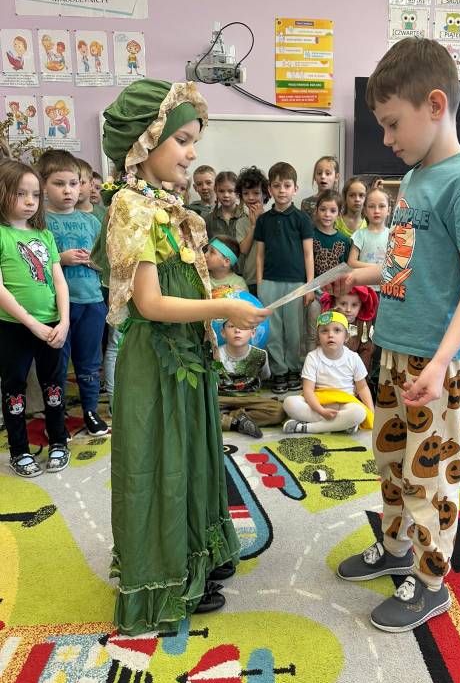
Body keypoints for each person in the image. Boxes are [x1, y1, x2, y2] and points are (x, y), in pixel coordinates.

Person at [335, 38, 460, 632]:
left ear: (434, 105)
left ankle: (430, 582)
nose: (386, 138)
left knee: (431, 475)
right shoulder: (411, 179)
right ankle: (397, 549)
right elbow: (402, 267)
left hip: (434, 361)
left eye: (392, 123)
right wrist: (363, 274)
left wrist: (441, 361)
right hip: (394, 351)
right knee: (392, 463)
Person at [101, 78, 270, 635]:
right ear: (146, 141)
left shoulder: (168, 204)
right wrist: (223, 309)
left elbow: (185, 286)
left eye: (195, 140)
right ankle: (165, 576)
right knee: (162, 462)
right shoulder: (130, 207)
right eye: (183, 140)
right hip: (156, 360)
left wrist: (219, 303)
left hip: (187, 354)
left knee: (193, 452)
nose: (193, 152)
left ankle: (197, 553)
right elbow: (149, 303)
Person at [0, 161, 70, 477]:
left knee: (54, 385)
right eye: (20, 194)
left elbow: (59, 281)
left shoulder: (44, 234)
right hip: (13, 327)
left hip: (53, 325)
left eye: (36, 195)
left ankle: (59, 442)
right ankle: (19, 451)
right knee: (14, 388)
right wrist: (32, 323)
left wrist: (64, 321)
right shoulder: (2, 234)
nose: (30, 201)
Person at [39, 149, 110, 437]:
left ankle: (91, 410)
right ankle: (55, 418)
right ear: (44, 186)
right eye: (59, 184)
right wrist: (61, 259)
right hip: (56, 306)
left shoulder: (92, 222)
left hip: (92, 300)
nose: (68, 190)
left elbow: (107, 261)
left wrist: (94, 262)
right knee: (56, 364)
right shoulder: (40, 221)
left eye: (74, 183)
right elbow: (32, 264)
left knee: (90, 361)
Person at [255, 162, 314, 394]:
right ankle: (279, 372)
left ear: (295, 188)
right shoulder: (263, 220)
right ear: (270, 189)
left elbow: (308, 254)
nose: (282, 190)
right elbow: (259, 255)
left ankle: (293, 369)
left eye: (287, 185)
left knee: (294, 330)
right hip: (269, 283)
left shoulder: (302, 219)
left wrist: (310, 286)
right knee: (273, 331)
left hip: (296, 283)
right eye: (277, 186)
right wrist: (260, 284)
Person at [283, 310, 374, 434]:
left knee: (359, 413)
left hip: (345, 403)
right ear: (318, 337)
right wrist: (321, 411)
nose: (330, 335)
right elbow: (308, 390)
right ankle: (340, 424)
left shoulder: (353, 358)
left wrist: (371, 412)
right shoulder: (312, 357)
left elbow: (362, 387)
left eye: (337, 330)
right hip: (318, 402)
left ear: (346, 337)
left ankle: (307, 427)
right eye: (324, 331)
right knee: (289, 403)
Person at [217, 319, 284, 438]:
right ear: (223, 332)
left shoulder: (260, 355)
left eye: (243, 327)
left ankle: (228, 418)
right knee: (196, 411)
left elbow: (264, 375)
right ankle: (237, 423)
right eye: (231, 326)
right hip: (222, 398)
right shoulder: (215, 355)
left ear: (252, 332)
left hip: (249, 399)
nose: (237, 330)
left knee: (278, 411)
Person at [305, 190, 350, 351]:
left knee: (335, 332)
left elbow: (347, 269)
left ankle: (334, 362)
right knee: (313, 333)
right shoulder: (309, 235)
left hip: (335, 295)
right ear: (316, 210)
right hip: (315, 293)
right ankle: (310, 363)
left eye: (332, 210)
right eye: (323, 209)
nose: (327, 214)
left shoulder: (344, 240)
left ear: (339, 214)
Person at [320, 285, 379, 372]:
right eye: (343, 304)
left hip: (354, 371)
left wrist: (359, 375)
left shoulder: (364, 324)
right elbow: (321, 346)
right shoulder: (328, 321)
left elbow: (366, 350)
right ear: (334, 303)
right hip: (329, 370)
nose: (348, 309)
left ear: (361, 305)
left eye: (354, 305)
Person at [348, 187, 391, 290]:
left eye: (381, 206)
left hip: (386, 288)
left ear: (389, 210)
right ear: (365, 211)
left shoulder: (393, 235)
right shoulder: (359, 235)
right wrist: (377, 268)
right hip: (365, 289)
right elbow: (351, 262)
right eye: (371, 206)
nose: (376, 211)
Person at [236, 165, 269, 296]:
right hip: (250, 279)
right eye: (246, 193)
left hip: (270, 278)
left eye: (256, 193)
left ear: (265, 194)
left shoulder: (272, 219)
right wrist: (254, 226)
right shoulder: (241, 222)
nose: (250, 197)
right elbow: (243, 250)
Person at [206, 171, 247, 241]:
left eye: (230, 191)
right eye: (221, 191)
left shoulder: (246, 216)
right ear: (215, 191)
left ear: (238, 192)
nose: (226, 195)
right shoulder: (209, 219)